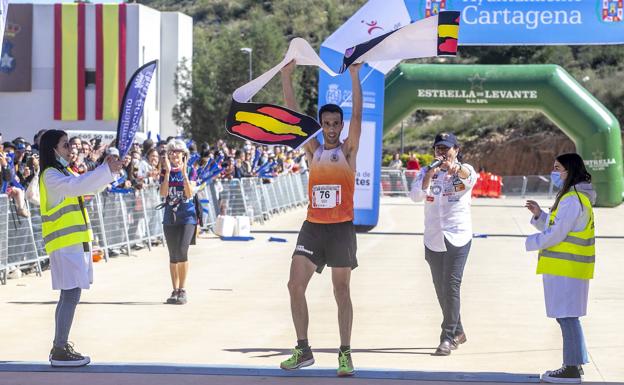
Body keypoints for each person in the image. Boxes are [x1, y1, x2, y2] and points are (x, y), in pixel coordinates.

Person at [279, 60, 362, 377]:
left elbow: (357, 115)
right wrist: (287, 76)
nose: (330, 128)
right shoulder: (313, 151)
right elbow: (293, 116)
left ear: (340, 127)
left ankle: (345, 353)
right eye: (325, 123)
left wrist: (354, 75)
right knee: (294, 284)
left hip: (341, 229)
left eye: (334, 124)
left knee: (341, 291)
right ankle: (303, 349)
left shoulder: (348, 151)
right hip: (313, 228)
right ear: (321, 125)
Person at [38, 129, 123, 367]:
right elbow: (76, 186)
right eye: (65, 145)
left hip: (72, 244)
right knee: (71, 294)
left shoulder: (62, 172)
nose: (70, 148)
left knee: (70, 294)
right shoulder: (50, 175)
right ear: (52, 149)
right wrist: (105, 171)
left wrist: (108, 172)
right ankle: (59, 349)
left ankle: (60, 346)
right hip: (65, 244)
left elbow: (84, 187)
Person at [525, 153, 594, 384]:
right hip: (568, 268)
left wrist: (531, 242)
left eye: (557, 168)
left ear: (569, 170)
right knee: (568, 317)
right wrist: (539, 216)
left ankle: (571, 369)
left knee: (566, 317)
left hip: (566, 268)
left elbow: (556, 233)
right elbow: (559, 225)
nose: (554, 172)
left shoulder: (572, 199)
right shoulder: (573, 198)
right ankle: (575, 363)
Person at [409, 133, 477, 356]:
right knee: (441, 289)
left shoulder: (465, 169)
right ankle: (458, 330)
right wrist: (429, 174)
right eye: (438, 148)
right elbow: (416, 196)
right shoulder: (426, 171)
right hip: (433, 237)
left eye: (446, 149)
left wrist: (453, 169)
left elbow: (469, 179)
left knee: (451, 286)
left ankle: (447, 337)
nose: (442, 153)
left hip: (458, 236)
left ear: (456, 150)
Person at [159, 139, 197, 305]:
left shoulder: (190, 169)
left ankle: (182, 289)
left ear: (184, 154)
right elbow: (163, 193)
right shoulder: (165, 171)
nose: (174, 154)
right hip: (170, 216)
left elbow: (189, 194)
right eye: (171, 151)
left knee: (182, 251)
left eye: (177, 151)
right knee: (173, 254)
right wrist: (167, 173)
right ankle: (174, 290)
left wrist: (184, 174)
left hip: (187, 216)